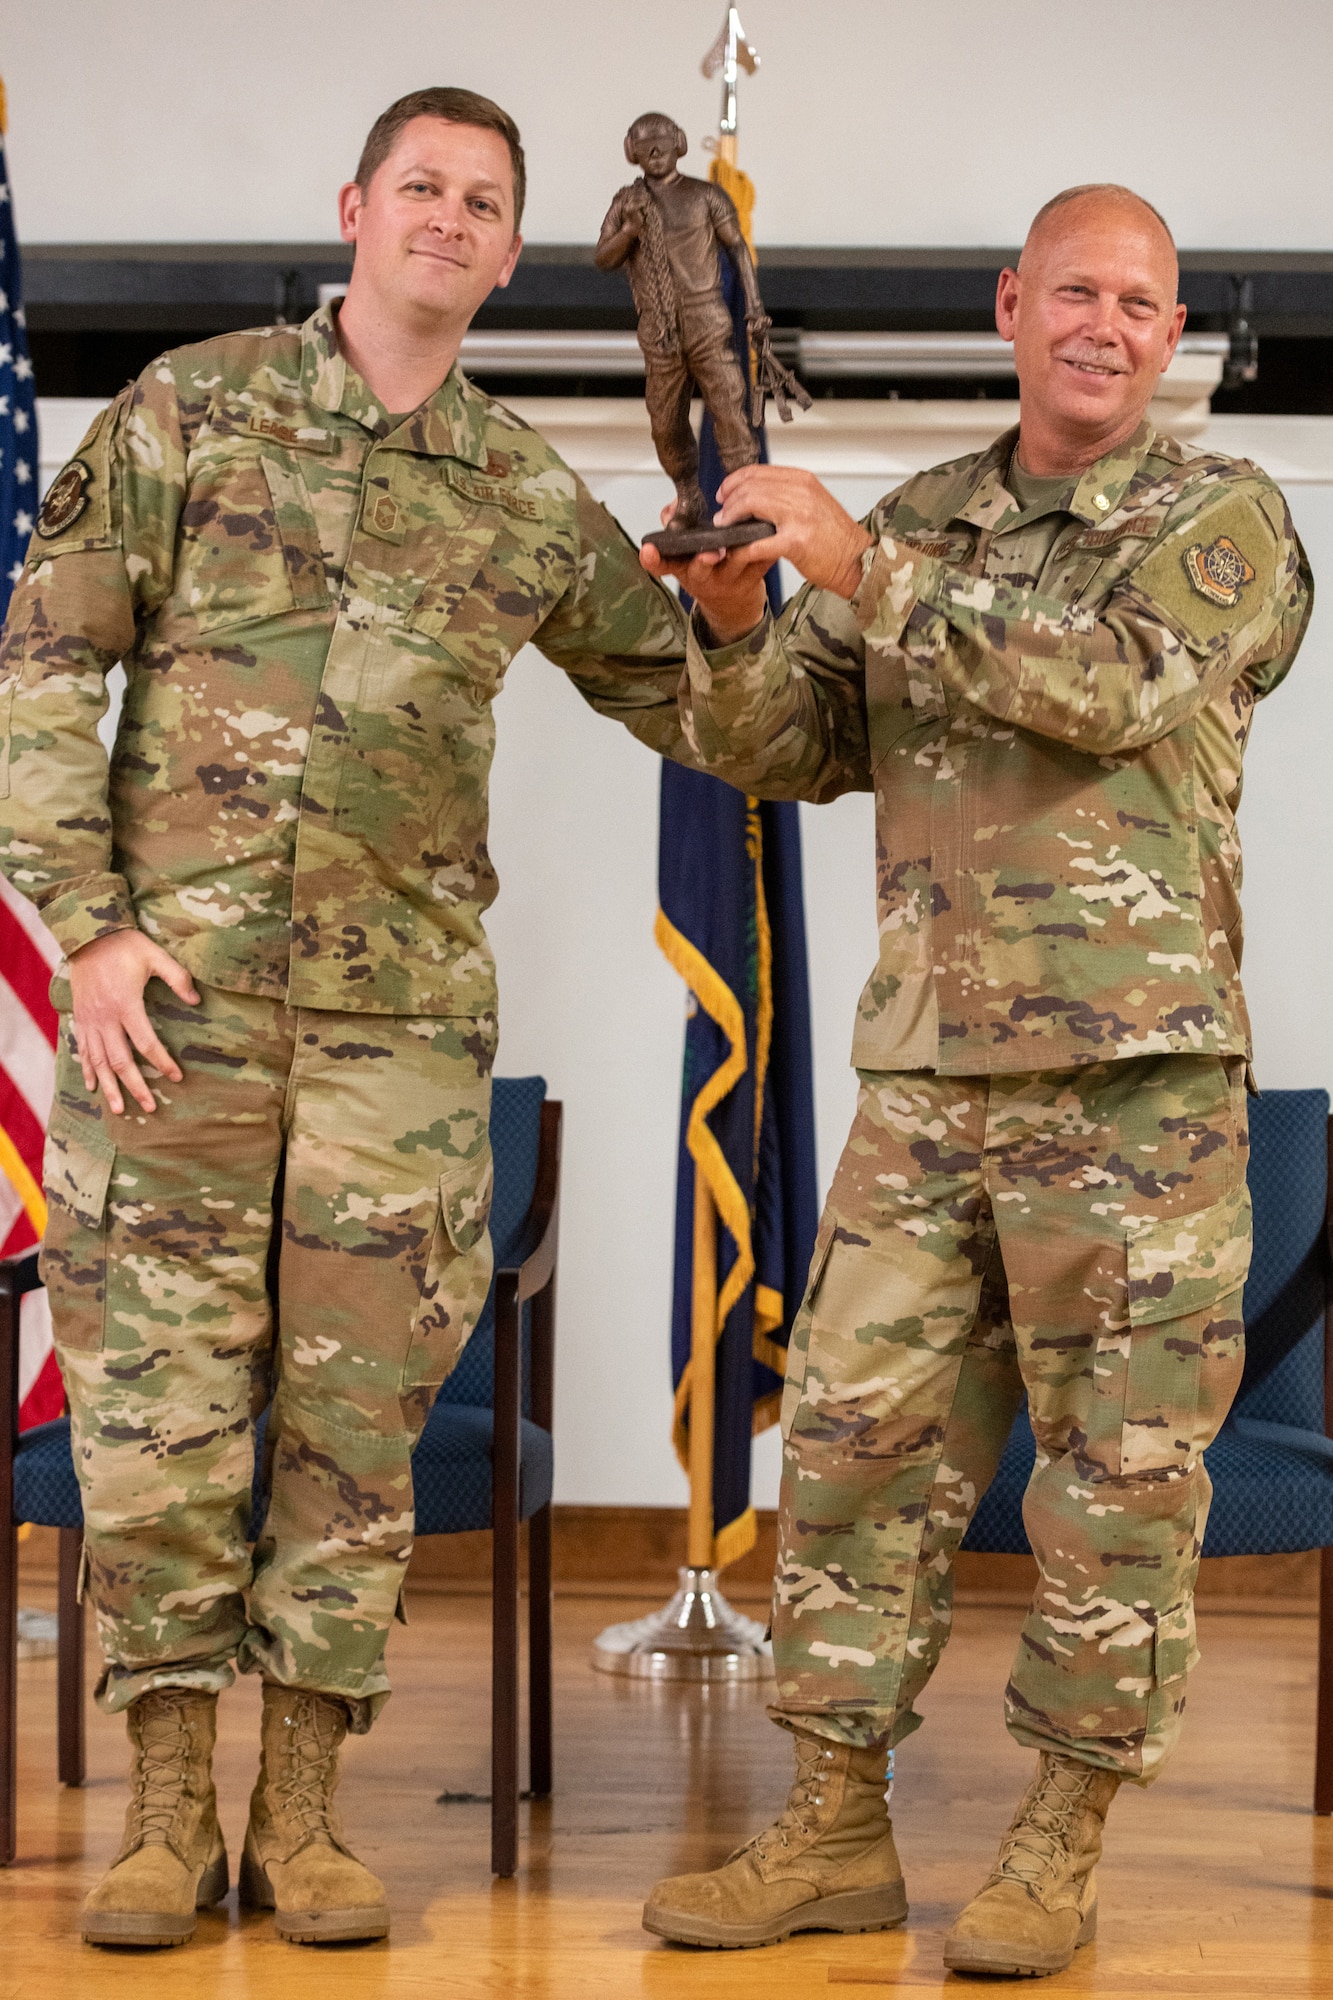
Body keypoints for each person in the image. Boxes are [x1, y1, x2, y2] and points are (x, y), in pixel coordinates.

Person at [0, 86, 695, 1949]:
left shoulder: (518, 490)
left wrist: (797, 585)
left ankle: (300, 1815)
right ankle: (163, 1817)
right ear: (357, 208)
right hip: (178, 1027)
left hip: (394, 1051)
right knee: (154, 1430)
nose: (449, 221)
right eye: (423, 188)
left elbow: (683, 689)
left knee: (349, 1436)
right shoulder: (190, 409)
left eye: (485, 201)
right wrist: (88, 931)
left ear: (509, 246)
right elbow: (48, 661)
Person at [637, 183, 1312, 1977]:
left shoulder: (1218, 516)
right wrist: (723, 623)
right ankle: (833, 1828)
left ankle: (1053, 1843)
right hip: (927, 1079)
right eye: (1074, 289)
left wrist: (857, 570)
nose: (1105, 324)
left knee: (1112, 1480)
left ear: (1170, 341)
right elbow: (796, 748)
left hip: (1130, 1091)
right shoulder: (928, 515)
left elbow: (1110, 690)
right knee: (856, 1460)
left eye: (1141, 304)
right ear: (1011, 305)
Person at [594, 112, 767, 534]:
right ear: (631, 152)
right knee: (665, 421)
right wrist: (630, 231)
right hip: (659, 330)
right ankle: (690, 498)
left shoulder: (707, 196)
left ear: (680, 144)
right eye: (643, 142)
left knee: (729, 405)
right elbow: (604, 258)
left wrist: (755, 304)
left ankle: (746, 501)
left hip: (707, 318)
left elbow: (738, 249)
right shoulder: (627, 202)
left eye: (662, 140)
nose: (654, 149)